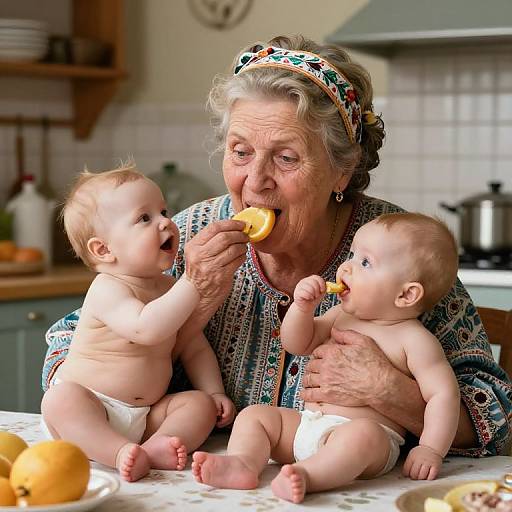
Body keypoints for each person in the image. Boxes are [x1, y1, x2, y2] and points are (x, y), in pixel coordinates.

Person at [42, 35, 512, 469]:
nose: (255, 180)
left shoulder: (397, 248)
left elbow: (495, 414)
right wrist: (187, 311)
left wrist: (391, 391)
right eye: (240, 151)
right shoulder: (186, 236)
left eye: (286, 158)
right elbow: (66, 349)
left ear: (341, 172)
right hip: (201, 480)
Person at [191, 212, 461, 502]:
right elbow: (297, 342)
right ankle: (243, 464)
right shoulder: (340, 315)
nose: (347, 267)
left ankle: (309, 477)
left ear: (406, 295)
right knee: (255, 416)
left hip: (367, 443)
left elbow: (444, 395)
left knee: (362, 436)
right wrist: (303, 309)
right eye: (352, 254)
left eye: (365, 262)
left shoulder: (414, 340)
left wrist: (430, 448)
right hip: (307, 425)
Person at [40, 167, 236, 482]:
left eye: (163, 211)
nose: (164, 222)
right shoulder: (108, 288)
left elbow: (194, 347)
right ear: (103, 249)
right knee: (60, 401)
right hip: (94, 405)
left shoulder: (171, 287)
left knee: (198, 406)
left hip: (146, 417)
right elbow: (146, 329)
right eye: (144, 218)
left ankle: (161, 445)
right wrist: (193, 282)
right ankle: (117, 452)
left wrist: (213, 392)